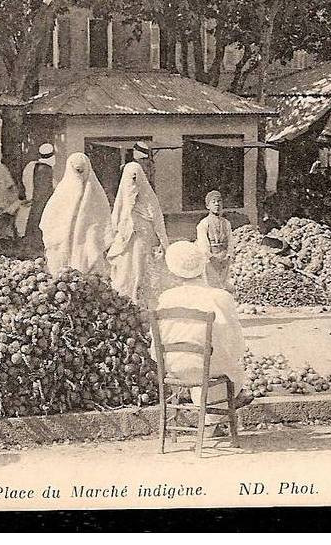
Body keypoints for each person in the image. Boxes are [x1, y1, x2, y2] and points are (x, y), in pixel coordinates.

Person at [154, 241, 252, 410]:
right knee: (229, 371)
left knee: (211, 368)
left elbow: (156, 343)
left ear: (173, 272)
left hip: (173, 365)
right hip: (209, 367)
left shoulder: (166, 298)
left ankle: (208, 421)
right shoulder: (220, 297)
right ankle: (211, 419)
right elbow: (236, 344)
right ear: (203, 267)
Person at [40, 152, 114, 277]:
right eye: (76, 171)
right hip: (64, 239)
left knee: (87, 269)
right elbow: (49, 217)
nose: (79, 175)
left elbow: (103, 216)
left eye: (81, 171)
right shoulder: (62, 191)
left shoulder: (95, 192)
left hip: (87, 239)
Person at [107, 160, 170, 307]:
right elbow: (116, 220)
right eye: (131, 178)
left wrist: (163, 242)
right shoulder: (122, 199)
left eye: (136, 178)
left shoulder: (148, 197)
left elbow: (157, 219)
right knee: (126, 271)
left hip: (144, 239)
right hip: (127, 242)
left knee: (142, 271)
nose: (133, 183)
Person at [21, 143, 56, 257]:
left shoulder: (34, 167)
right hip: (42, 203)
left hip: (36, 202)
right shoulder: (44, 169)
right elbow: (44, 190)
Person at [195, 190, 234, 290]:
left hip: (224, 260)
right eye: (213, 202)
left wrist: (228, 257)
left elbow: (230, 241)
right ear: (208, 206)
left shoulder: (226, 223)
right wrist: (212, 258)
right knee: (212, 287)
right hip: (211, 260)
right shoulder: (203, 223)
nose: (217, 204)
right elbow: (203, 245)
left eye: (219, 201)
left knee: (223, 286)